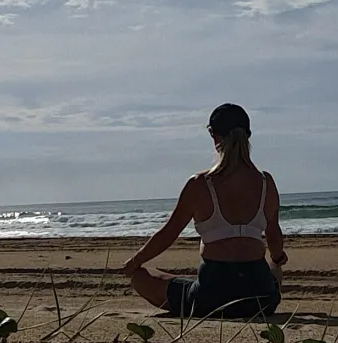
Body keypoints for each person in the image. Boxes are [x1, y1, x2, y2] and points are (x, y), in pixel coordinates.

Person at [122, 103, 286, 319]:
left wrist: (134, 262)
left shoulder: (200, 184)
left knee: (140, 277)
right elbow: (274, 235)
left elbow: (168, 234)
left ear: (213, 135)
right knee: (274, 267)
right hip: (261, 300)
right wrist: (277, 258)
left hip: (211, 297)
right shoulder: (266, 182)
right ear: (248, 135)